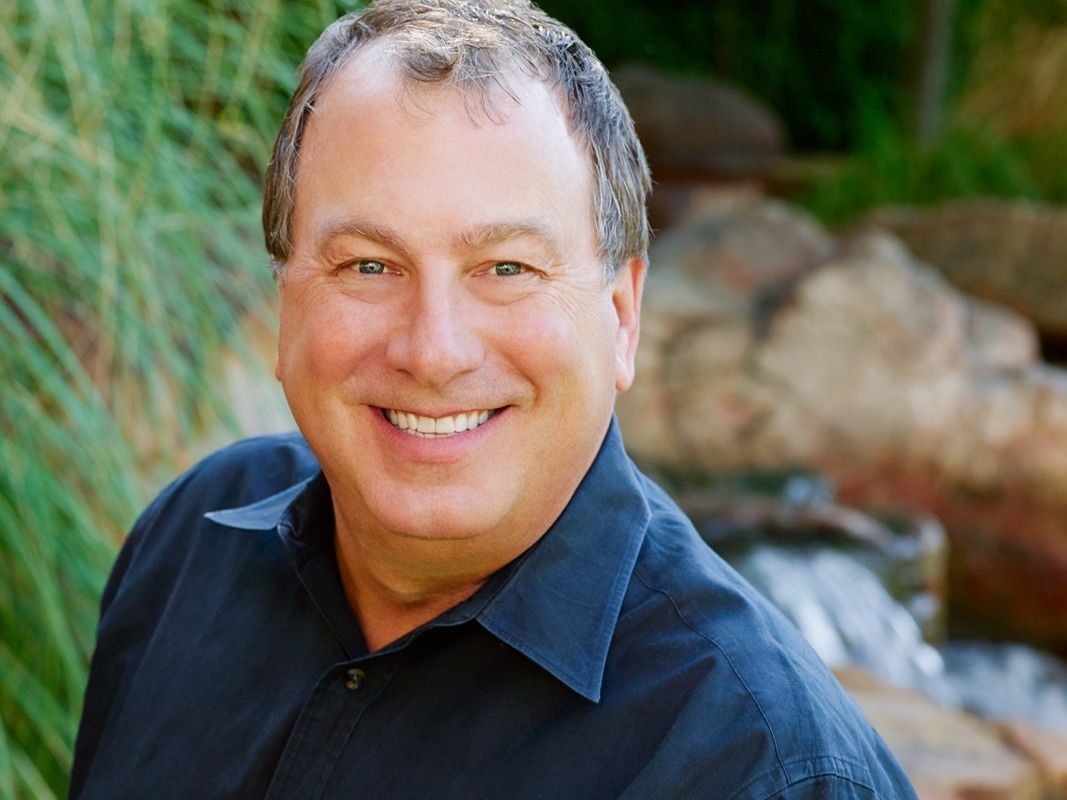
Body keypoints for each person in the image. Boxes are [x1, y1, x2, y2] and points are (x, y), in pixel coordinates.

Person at [70, 1, 918, 797]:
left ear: (620, 317)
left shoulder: (761, 768)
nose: (432, 350)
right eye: (368, 264)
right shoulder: (187, 546)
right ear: (285, 301)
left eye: (506, 269)